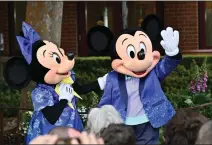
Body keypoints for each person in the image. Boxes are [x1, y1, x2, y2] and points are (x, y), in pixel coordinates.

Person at [88, 15, 182, 144]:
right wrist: (99, 115)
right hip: (123, 121)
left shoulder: (152, 73)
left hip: (148, 119)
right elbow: (106, 101)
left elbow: (166, 67)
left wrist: (173, 53)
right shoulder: (113, 78)